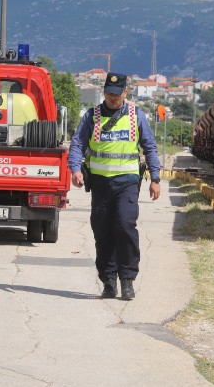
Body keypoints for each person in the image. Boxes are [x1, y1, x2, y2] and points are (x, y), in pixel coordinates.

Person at [68, 72, 161, 300]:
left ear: (125, 93)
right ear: (103, 92)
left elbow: (149, 146)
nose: (112, 98)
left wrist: (155, 178)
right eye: (109, 93)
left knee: (125, 226)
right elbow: (77, 143)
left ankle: (127, 279)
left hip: (127, 183)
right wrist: (75, 169)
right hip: (100, 184)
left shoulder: (135, 116)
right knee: (103, 231)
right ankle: (108, 280)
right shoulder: (92, 116)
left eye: (117, 94)